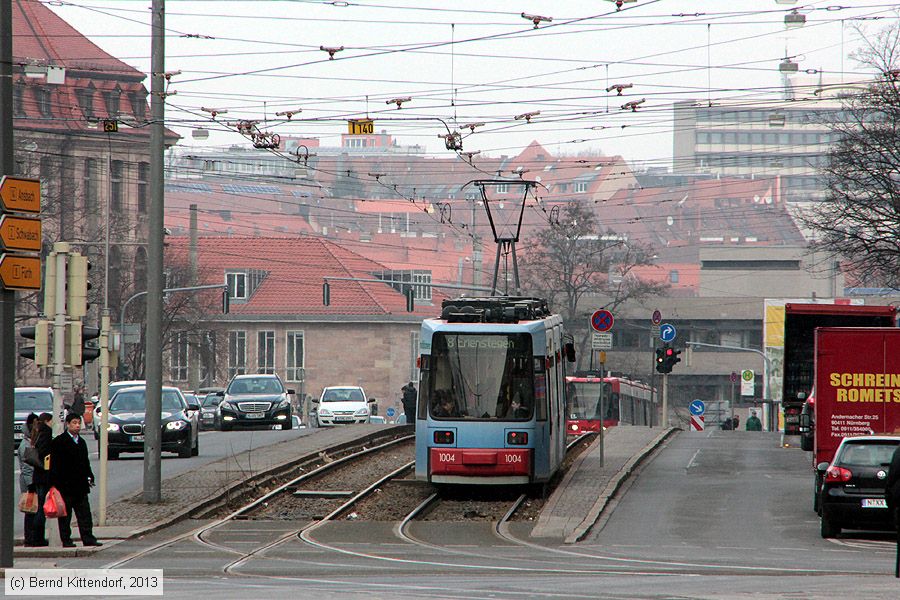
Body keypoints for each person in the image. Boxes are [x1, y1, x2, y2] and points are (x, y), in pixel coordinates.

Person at [50, 413, 101, 547]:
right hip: (65, 486)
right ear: (67, 424)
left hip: (80, 485)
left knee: (84, 514)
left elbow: (85, 462)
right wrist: (56, 484)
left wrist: (89, 476)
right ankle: (66, 540)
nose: (77, 425)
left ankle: (88, 538)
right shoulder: (59, 442)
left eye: (78, 422)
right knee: (65, 516)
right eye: (74, 422)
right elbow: (54, 465)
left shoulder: (81, 442)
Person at [29, 413, 53, 547]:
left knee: (39, 507)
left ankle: (35, 537)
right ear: (47, 421)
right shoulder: (46, 433)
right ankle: (38, 538)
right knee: (41, 508)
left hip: (38, 475)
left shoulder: (37, 432)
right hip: (43, 475)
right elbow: (45, 453)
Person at [17, 413, 38, 546]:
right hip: (29, 482)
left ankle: (31, 537)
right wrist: (31, 484)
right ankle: (30, 538)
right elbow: (27, 467)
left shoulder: (31, 441)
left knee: (32, 510)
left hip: (29, 480)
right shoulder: (27, 444)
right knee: (30, 510)